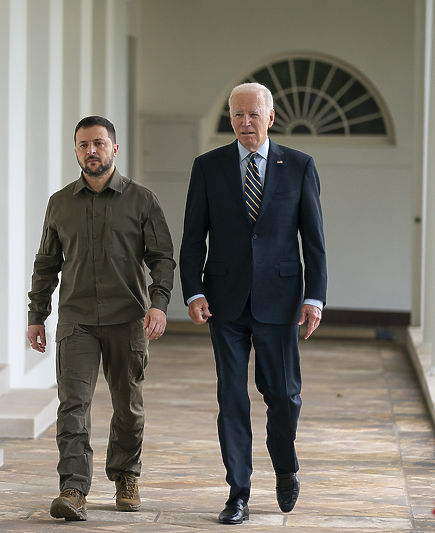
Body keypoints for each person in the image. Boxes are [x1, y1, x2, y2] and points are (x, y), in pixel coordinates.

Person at [179, 83, 327, 524]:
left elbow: (314, 242)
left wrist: (314, 297)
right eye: (238, 115)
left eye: (253, 115)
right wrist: (194, 290)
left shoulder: (299, 166)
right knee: (232, 398)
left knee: (283, 394)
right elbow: (192, 238)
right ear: (230, 119)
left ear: (271, 117)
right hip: (223, 300)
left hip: (281, 301)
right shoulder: (208, 167)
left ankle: (285, 466)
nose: (246, 122)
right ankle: (237, 493)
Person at [27, 116, 176, 521]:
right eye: (82, 145)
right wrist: (37, 314)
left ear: (114, 148)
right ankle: (73, 488)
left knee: (128, 405)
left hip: (127, 318)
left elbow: (162, 258)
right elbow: (46, 264)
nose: (90, 150)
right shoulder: (60, 203)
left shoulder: (142, 200)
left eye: (98, 143)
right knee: (72, 404)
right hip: (77, 319)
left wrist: (159, 303)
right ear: (76, 151)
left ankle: (126, 474)